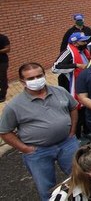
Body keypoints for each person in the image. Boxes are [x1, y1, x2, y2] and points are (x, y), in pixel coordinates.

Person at [0, 63, 79, 200]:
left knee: (79, 177)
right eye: (31, 78)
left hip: (67, 144)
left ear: (44, 75)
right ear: (22, 82)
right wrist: (25, 149)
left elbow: (73, 108)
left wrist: (72, 131)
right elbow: (5, 131)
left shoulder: (60, 91)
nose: (36, 80)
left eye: (39, 76)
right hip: (38, 152)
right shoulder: (14, 105)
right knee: (46, 188)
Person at [53, 32, 91, 139]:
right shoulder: (68, 52)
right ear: (75, 42)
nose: (85, 43)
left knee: (85, 109)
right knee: (76, 112)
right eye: (83, 41)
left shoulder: (84, 51)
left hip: (84, 84)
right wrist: (76, 65)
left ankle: (86, 131)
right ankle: (77, 136)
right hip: (72, 86)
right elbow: (55, 67)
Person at [0, 33, 9, 102]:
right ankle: (4, 86)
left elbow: (7, 49)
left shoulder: (3, 38)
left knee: (3, 78)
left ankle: (3, 95)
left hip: (2, 62)